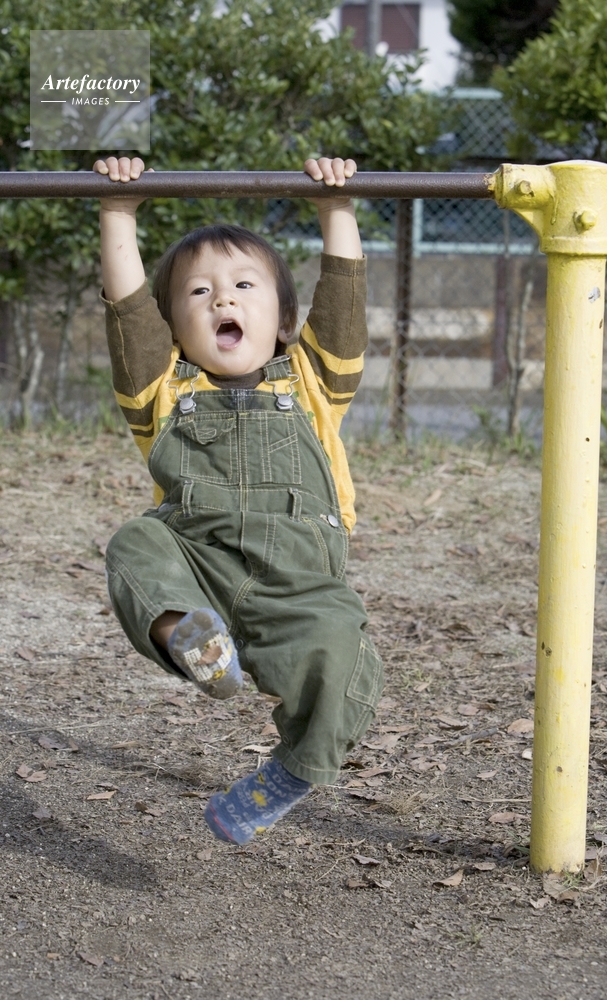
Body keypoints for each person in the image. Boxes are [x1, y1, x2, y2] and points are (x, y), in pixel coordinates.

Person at [94, 154, 383, 846]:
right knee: (136, 543)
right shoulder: (162, 391)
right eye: (198, 293)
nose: (221, 301)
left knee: (346, 653)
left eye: (243, 286)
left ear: (283, 318)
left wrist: (335, 206)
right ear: (173, 329)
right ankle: (191, 636)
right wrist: (116, 211)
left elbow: (342, 300)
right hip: (199, 565)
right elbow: (128, 308)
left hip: (298, 581)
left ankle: (292, 771)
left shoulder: (312, 382)